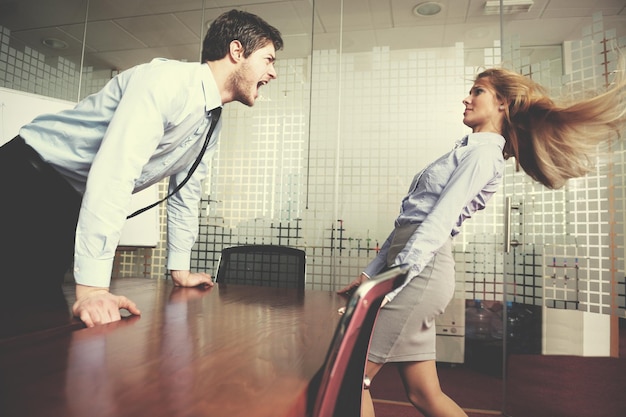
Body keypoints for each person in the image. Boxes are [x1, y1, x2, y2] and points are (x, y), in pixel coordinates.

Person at [338, 56, 626, 417]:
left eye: (478, 91)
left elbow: (436, 224)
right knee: (424, 393)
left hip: (419, 276)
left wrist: (391, 286)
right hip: (412, 268)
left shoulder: (484, 155)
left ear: (502, 103)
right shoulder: (467, 150)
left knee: (351, 379)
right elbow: (405, 224)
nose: (467, 98)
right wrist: (369, 276)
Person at [0, 9, 283, 327]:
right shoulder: (166, 82)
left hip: (68, 200)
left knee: (36, 310)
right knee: (16, 302)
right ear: (237, 51)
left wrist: (180, 268)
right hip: (23, 177)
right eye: (268, 59)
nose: (273, 73)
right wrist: (93, 289)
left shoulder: (212, 120)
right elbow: (114, 172)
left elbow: (185, 192)